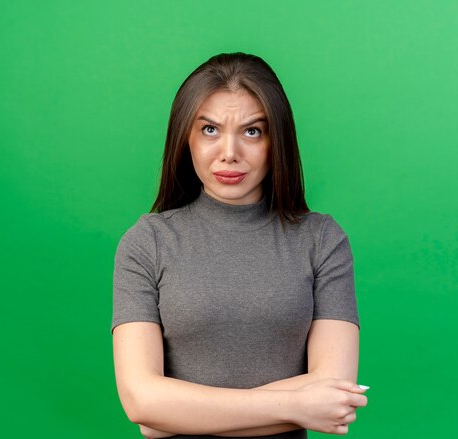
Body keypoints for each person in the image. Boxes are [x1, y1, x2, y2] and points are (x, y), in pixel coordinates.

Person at [111, 52, 369, 439]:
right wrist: (297, 405)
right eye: (210, 130)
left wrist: (173, 413)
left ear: (276, 140)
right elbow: (141, 404)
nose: (229, 152)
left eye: (252, 131)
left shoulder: (322, 241)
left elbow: (334, 397)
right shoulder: (147, 243)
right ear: (186, 138)